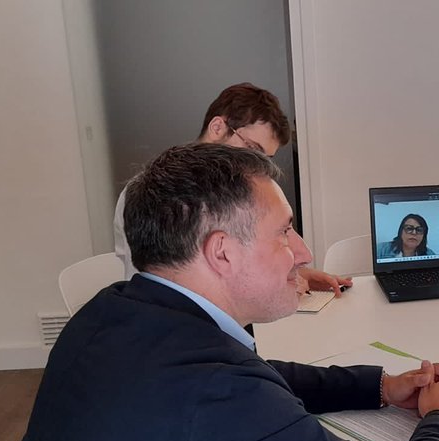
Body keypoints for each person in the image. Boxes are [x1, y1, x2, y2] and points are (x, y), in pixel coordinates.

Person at [10, 144, 439, 441]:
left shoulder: (113, 311)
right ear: (222, 252)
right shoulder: (217, 394)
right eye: (285, 231)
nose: (304, 252)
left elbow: (256, 378)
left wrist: (380, 386)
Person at [111, 82, 351, 296]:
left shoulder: (238, 192)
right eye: (252, 149)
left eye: (265, 158)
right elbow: (156, 289)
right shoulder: (155, 194)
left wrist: (295, 274)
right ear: (217, 127)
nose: (257, 165)